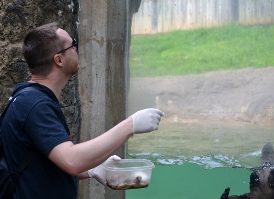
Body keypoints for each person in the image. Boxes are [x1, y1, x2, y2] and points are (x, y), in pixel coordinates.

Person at [1, 22, 164, 199]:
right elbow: (71, 160)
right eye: (73, 45)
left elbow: (48, 160)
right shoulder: (34, 104)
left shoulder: (30, 99)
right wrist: (130, 125)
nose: (77, 49)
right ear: (59, 60)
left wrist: (93, 169)